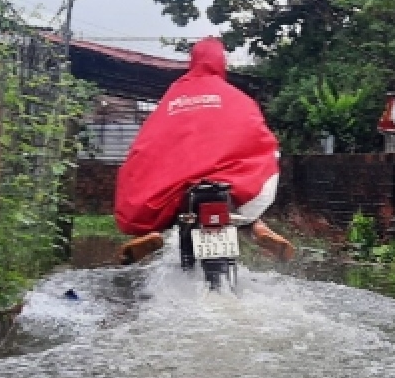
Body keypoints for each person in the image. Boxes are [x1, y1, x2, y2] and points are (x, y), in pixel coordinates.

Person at [112, 38, 295, 264]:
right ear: (221, 63)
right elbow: (258, 135)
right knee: (241, 206)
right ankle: (259, 230)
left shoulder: (174, 97)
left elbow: (148, 144)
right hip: (229, 181)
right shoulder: (236, 97)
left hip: (180, 185)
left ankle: (155, 233)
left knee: (169, 206)